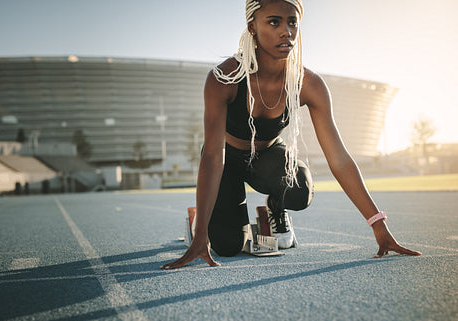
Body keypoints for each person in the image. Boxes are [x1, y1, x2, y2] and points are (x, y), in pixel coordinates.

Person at [161, 0, 421, 269]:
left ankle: (273, 209)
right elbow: (214, 156)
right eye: (274, 22)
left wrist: (377, 223)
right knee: (226, 246)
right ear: (252, 28)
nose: (286, 31)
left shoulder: (309, 84)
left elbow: (339, 158)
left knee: (299, 189)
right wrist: (202, 233)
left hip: (267, 156)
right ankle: (197, 221)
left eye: (292, 22)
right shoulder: (223, 78)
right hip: (227, 158)